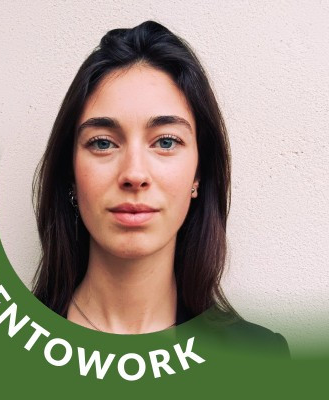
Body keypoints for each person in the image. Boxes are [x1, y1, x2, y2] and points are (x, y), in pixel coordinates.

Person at [31, 20, 290, 357]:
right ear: (70, 174)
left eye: (166, 141)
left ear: (198, 174)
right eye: (103, 143)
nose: (134, 174)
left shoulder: (260, 359)